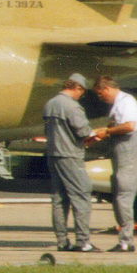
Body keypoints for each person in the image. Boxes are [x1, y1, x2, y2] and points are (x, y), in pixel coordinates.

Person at [43, 73, 98, 251]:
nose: (81, 95)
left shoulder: (50, 104)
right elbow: (83, 131)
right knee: (81, 195)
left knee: (59, 199)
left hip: (53, 155)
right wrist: (95, 134)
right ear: (77, 88)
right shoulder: (72, 107)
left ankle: (62, 241)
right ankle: (83, 242)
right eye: (81, 92)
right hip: (71, 156)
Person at [92, 75, 137, 252]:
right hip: (120, 155)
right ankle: (124, 239)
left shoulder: (126, 102)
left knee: (123, 197)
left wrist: (108, 131)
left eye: (100, 94)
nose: (100, 98)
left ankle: (126, 241)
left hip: (128, 155)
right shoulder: (119, 104)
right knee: (120, 197)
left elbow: (130, 126)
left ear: (106, 88)